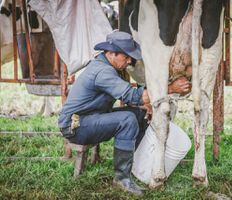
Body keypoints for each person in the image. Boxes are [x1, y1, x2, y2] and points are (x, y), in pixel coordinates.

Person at [58, 31, 191, 196]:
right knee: (127, 119)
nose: (130, 61)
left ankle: (138, 165)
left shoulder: (106, 65)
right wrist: (171, 89)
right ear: (112, 53)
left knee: (137, 114)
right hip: (76, 126)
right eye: (126, 56)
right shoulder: (103, 72)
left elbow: (130, 97)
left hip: (91, 118)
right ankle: (121, 179)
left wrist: (145, 106)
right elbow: (133, 95)